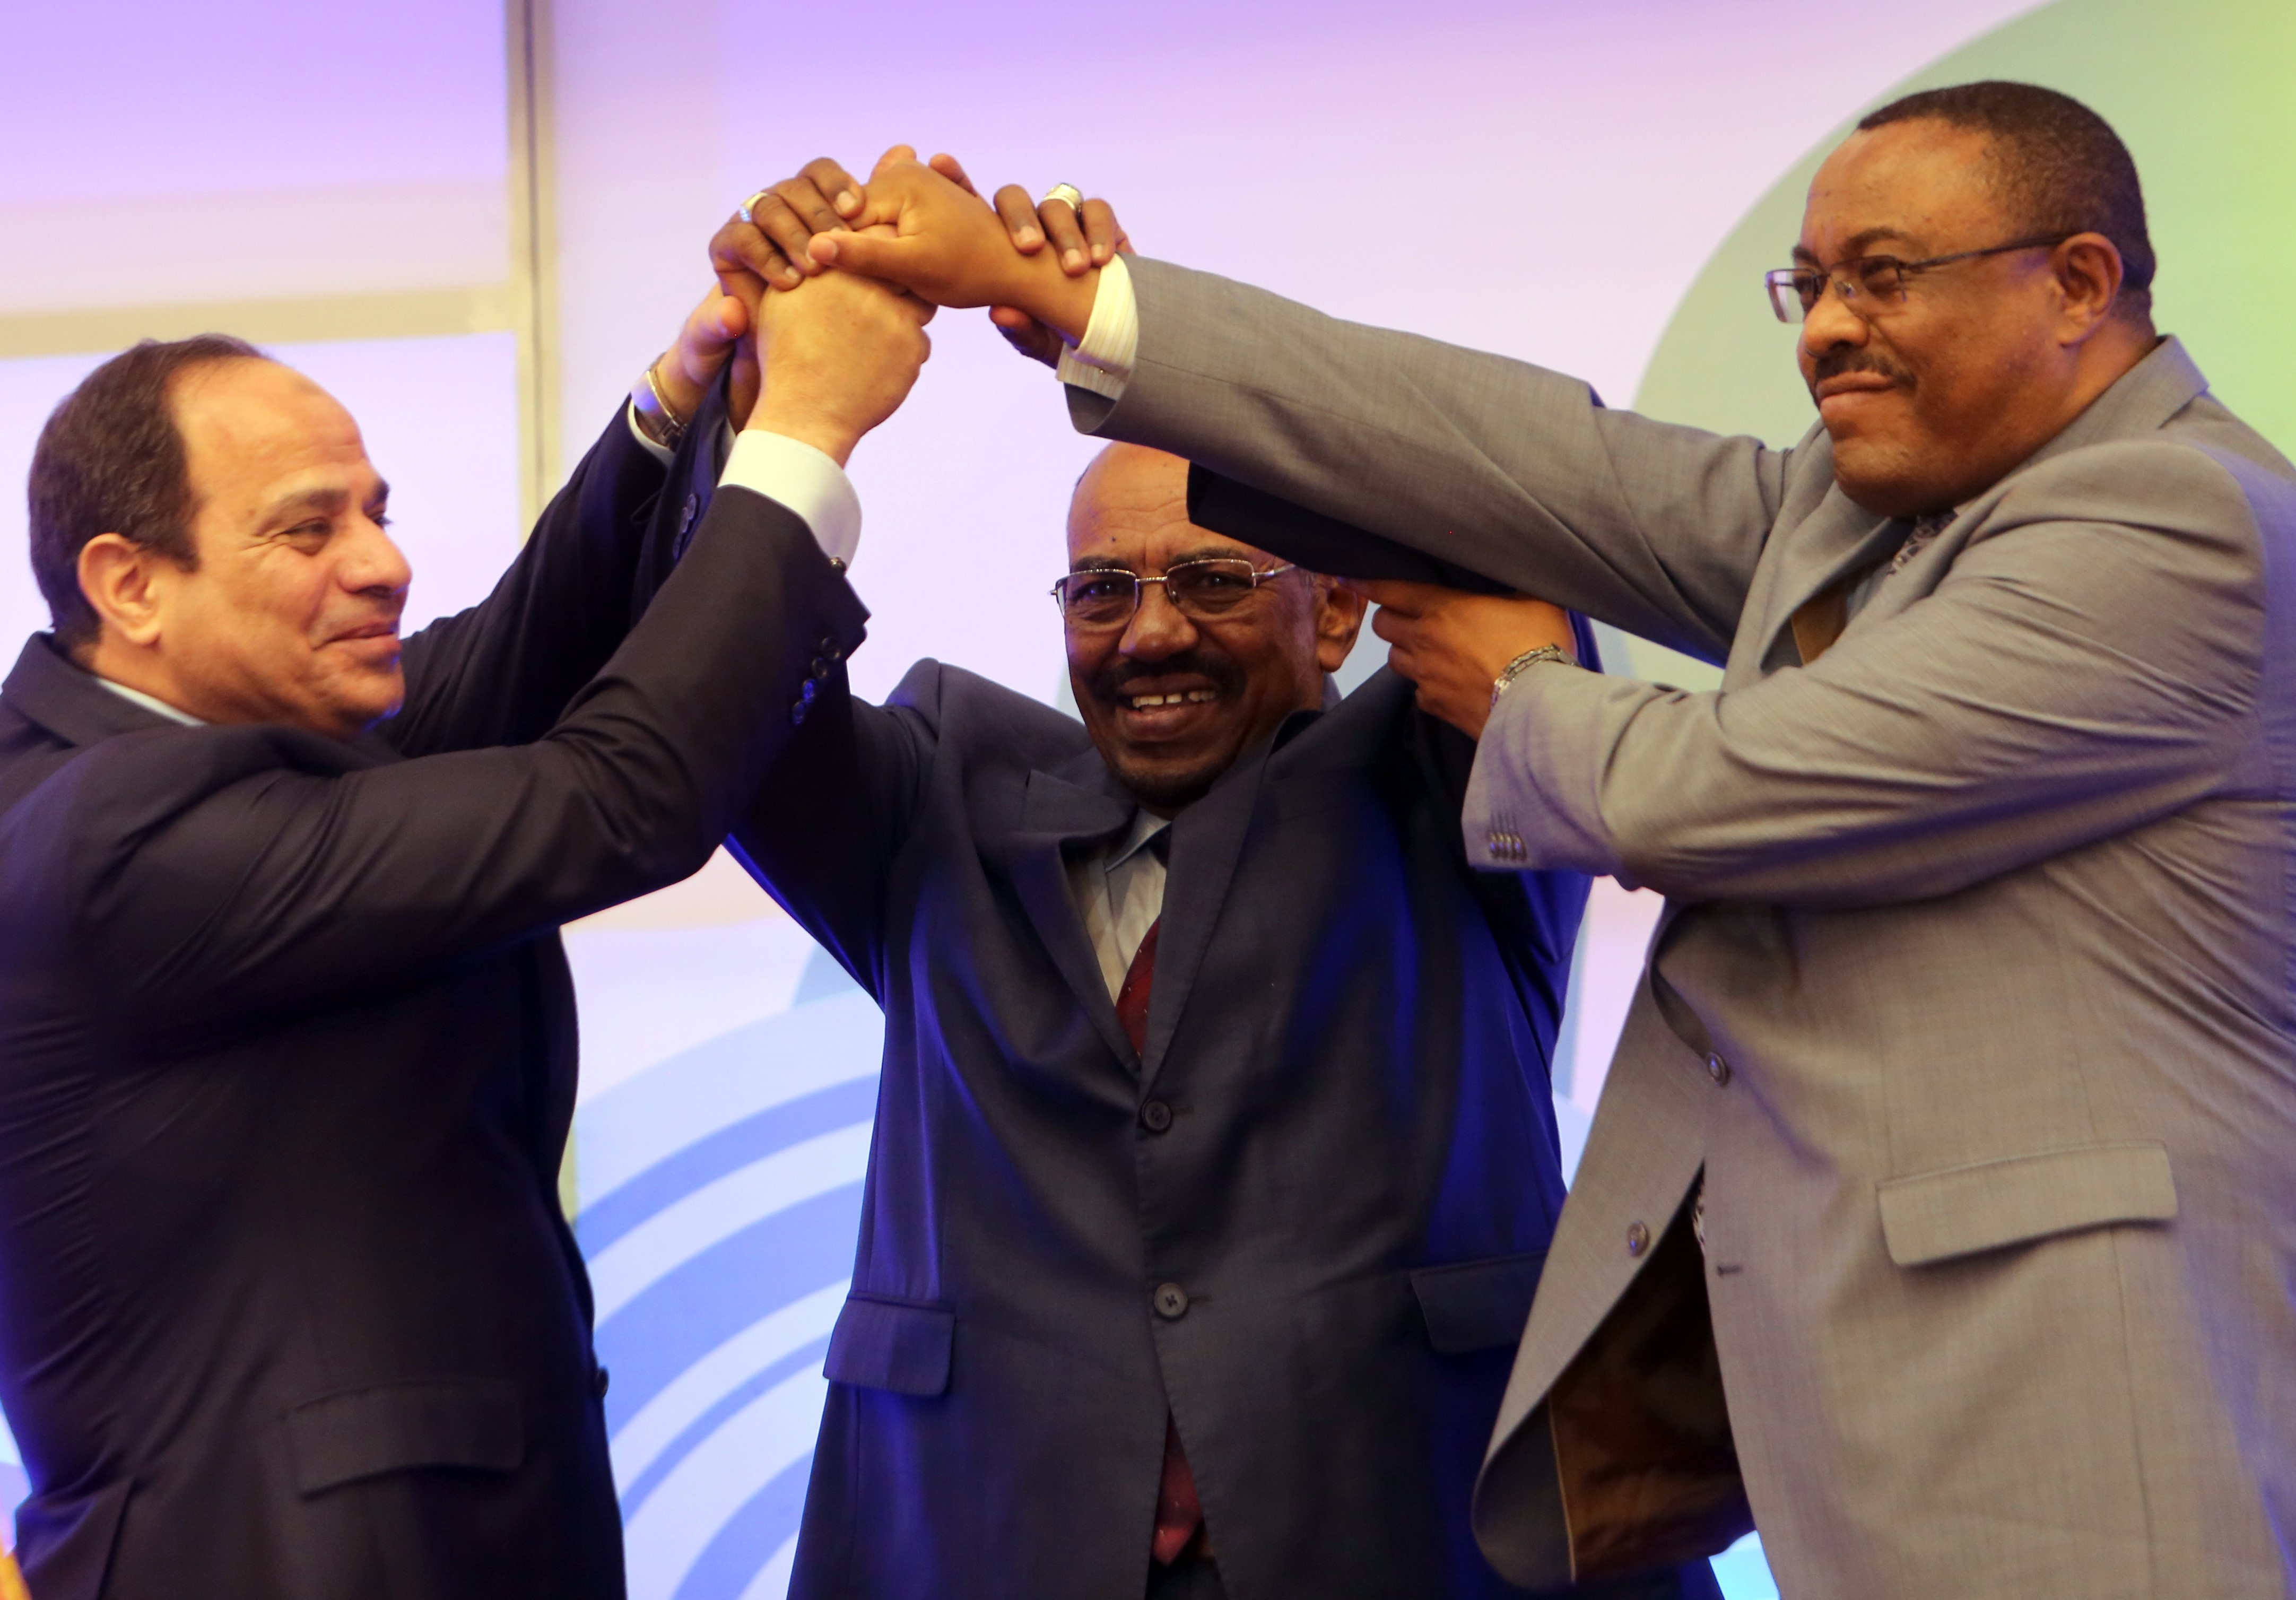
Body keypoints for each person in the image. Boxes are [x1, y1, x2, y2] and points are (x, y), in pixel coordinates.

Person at [732, 79, 2296, 1598]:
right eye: (1807, 284)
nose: (1825, 330)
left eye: (1883, 279)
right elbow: (1534, 455)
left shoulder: (2183, 520)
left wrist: (1524, 692)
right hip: (1871, 1431)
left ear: (2080, 283)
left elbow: (1741, 787)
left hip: (2087, 1416)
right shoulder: (1874, 515)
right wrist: (1062, 303)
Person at [659, 273, 1717, 1594]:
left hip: (1412, 1521)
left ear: (1333, 611)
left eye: (1211, 578)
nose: (1150, 630)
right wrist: (776, 421)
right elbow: (715, 683)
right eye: (1100, 590)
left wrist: (1117, 333)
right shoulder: (935, 801)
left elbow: (1499, 512)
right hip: (997, 1526)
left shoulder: (1454, 774)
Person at [0, 257, 931, 1597]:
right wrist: (805, 438)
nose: (383, 564)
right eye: (307, 531)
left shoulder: (202, 740)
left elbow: (508, 657)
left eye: (376, 512)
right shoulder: (107, 840)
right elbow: (618, 795)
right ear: (130, 583)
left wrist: (688, 396)